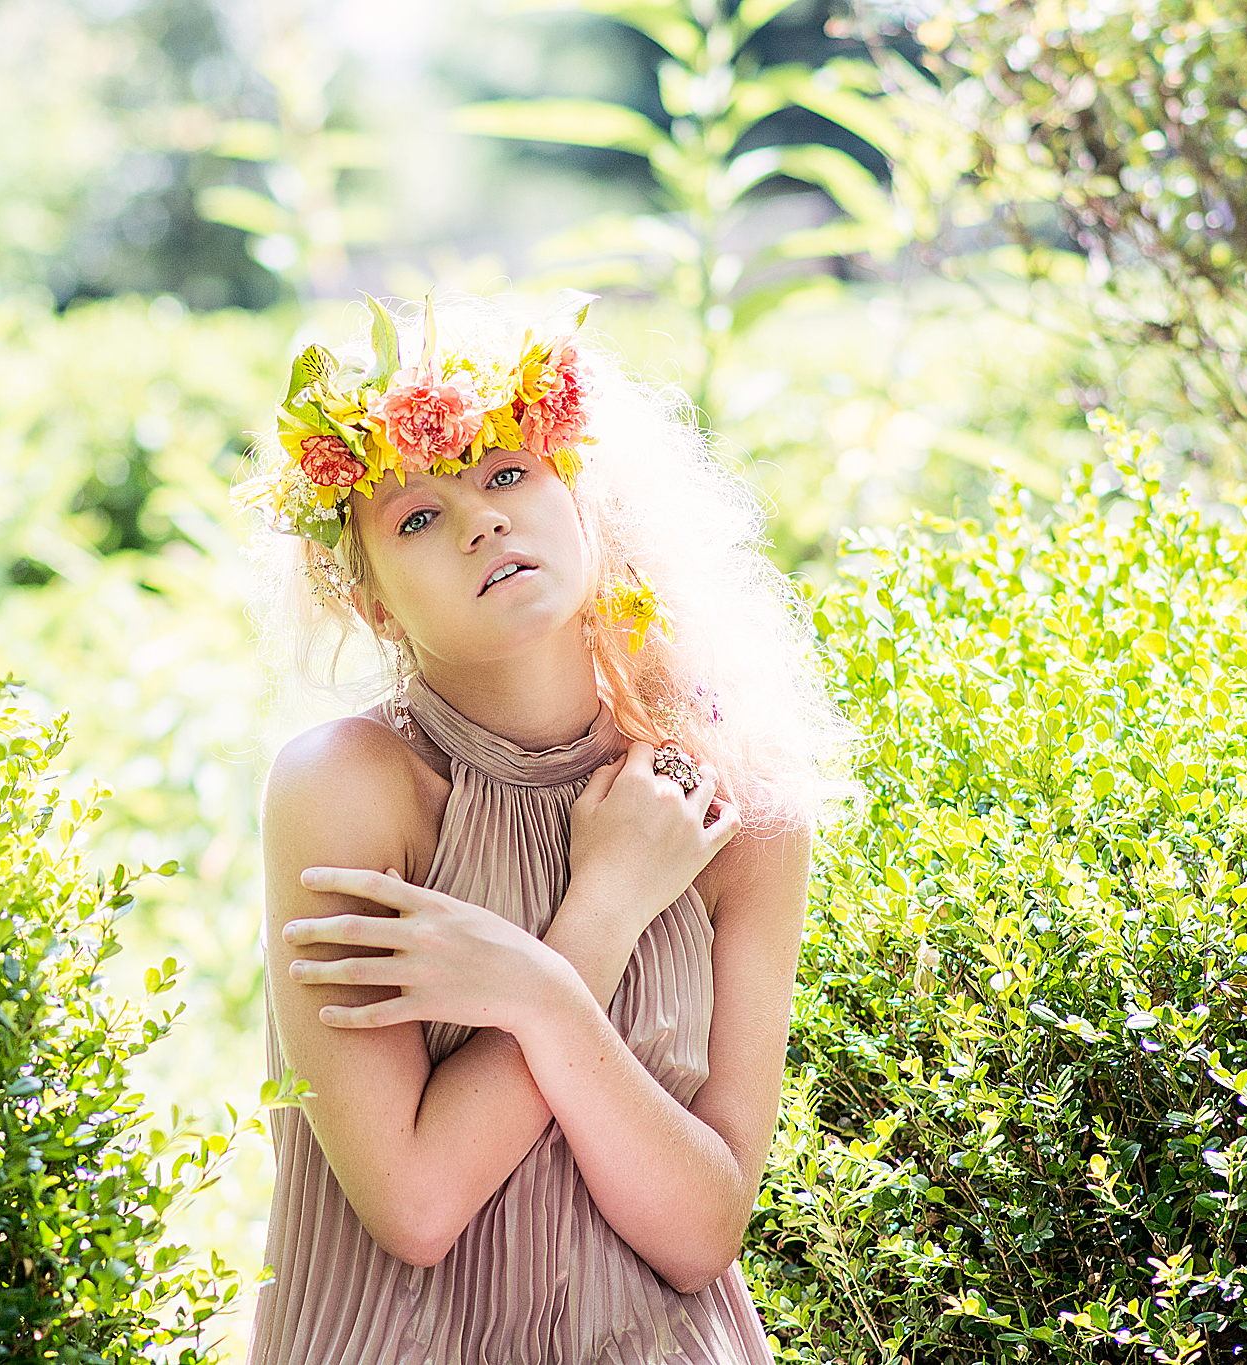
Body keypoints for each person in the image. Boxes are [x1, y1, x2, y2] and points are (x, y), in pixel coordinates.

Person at [235, 295, 845, 1364]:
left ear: (582, 502)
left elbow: (701, 1234)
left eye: (507, 473)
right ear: (373, 602)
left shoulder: (730, 803)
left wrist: (532, 991)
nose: (481, 519)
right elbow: (416, 1205)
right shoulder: (346, 789)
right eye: (415, 517)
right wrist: (597, 915)